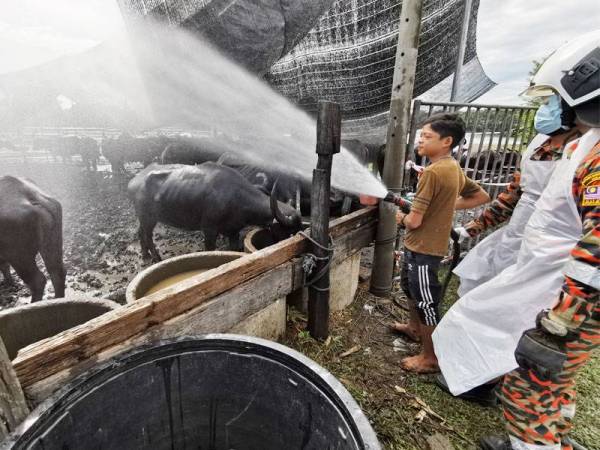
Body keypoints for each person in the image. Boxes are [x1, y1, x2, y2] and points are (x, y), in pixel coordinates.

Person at [477, 30, 600, 450]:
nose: (548, 108)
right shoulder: (584, 146)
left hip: (575, 301)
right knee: (556, 379)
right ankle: (557, 438)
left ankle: (535, 444)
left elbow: (598, 248)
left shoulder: (597, 158)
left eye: (554, 101)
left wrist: (562, 318)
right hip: (560, 282)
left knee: (529, 386)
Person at [392, 113, 490, 373]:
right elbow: (481, 195)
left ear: (447, 141)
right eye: (420, 135)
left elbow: (413, 222)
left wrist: (400, 217)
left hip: (425, 248)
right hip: (420, 246)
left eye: (427, 136)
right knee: (410, 288)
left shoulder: (433, 173)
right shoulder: (452, 167)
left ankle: (430, 358)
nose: (420, 140)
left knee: (426, 302)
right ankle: (414, 329)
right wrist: (444, 207)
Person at [454, 102, 584, 296]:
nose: (545, 109)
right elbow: (513, 194)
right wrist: (473, 227)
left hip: (559, 237)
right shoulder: (539, 144)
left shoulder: (584, 151)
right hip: (520, 228)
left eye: (553, 104)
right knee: (492, 279)